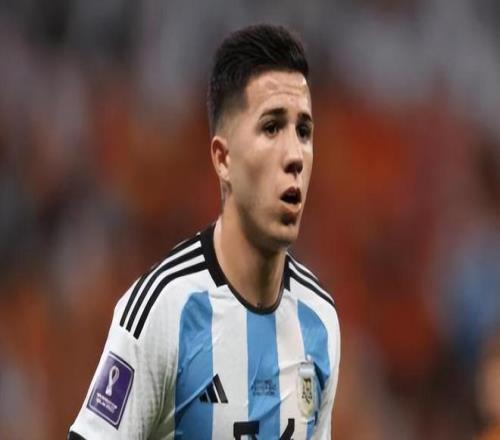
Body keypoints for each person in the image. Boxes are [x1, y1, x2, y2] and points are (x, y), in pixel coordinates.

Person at [68, 23, 340, 440]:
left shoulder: (319, 320)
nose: (294, 156)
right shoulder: (164, 309)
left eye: (303, 131)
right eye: (271, 127)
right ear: (223, 159)